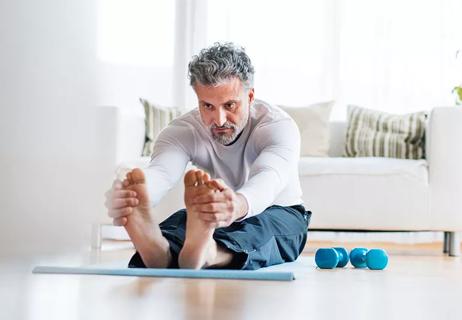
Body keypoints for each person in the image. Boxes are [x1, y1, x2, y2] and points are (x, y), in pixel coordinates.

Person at [105, 42, 312, 270]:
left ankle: (209, 252)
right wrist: (135, 196)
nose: (220, 120)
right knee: (181, 223)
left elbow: (269, 177)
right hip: (213, 212)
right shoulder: (182, 130)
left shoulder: (277, 125)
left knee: (259, 229)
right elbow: (162, 173)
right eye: (208, 106)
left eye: (230, 105)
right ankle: (159, 251)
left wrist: (238, 205)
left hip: (278, 211)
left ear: (250, 96)